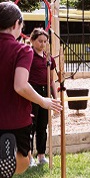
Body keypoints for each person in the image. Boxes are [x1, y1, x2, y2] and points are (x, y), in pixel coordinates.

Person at [0, 1, 62, 178]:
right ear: (16, 24)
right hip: (16, 121)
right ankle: (8, 154)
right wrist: (43, 101)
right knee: (24, 163)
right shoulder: (22, 50)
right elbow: (20, 86)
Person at [27, 28, 57, 167]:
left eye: (45, 41)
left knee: (42, 125)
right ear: (32, 40)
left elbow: (51, 80)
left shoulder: (48, 58)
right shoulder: (28, 55)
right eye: (40, 41)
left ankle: (41, 155)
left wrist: (55, 97)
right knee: (30, 126)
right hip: (32, 91)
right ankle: (29, 157)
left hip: (45, 92)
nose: (42, 44)